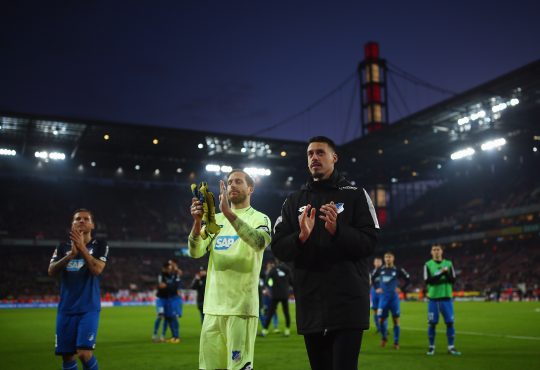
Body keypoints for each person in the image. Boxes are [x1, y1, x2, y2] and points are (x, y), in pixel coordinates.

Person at [271, 136, 379, 370]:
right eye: (310, 154)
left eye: (320, 152)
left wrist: (339, 231)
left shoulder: (356, 195)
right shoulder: (293, 201)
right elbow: (278, 247)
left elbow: (370, 242)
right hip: (310, 304)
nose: (314, 158)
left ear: (334, 158)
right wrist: (300, 237)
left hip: (348, 304)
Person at [188, 169, 272, 370]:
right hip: (212, 309)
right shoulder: (214, 221)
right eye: (230, 182)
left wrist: (228, 213)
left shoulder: (261, 218)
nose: (232, 185)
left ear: (250, 188)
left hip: (241, 309)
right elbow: (195, 251)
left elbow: (259, 242)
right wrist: (197, 221)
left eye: (238, 182)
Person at [48, 209, 109, 370]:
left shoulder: (100, 245)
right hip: (66, 308)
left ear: (92, 224)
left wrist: (82, 249)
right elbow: (51, 271)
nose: (81, 221)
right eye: (78, 219)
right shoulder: (62, 247)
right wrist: (69, 256)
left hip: (88, 307)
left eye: (86, 219)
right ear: (72, 224)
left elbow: (97, 270)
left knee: (84, 353)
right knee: (67, 356)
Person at [424, 244, 461, 356]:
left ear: (441, 251)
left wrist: (446, 272)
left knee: (450, 323)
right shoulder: (428, 265)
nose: (436, 251)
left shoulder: (449, 264)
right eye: (434, 249)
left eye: (438, 249)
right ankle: (431, 347)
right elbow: (428, 281)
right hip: (433, 299)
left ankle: (451, 347)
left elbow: (453, 280)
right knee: (432, 324)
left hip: (446, 298)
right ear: (431, 252)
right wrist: (442, 273)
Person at [372, 251, 410, 349]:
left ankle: (396, 342)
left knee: (396, 320)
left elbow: (408, 279)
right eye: (386, 257)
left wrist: (401, 288)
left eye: (389, 257)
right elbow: (373, 278)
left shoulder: (398, 269)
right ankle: (384, 338)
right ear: (384, 259)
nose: (388, 259)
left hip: (394, 299)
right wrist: (377, 288)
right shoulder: (380, 269)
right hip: (383, 298)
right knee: (381, 320)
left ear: (393, 258)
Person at [261, 260, 292, 337]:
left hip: (275, 294)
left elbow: (266, 281)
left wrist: (268, 288)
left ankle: (265, 331)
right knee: (286, 312)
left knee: (270, 313)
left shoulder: (273, 269)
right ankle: (287, 330)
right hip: (285, 294)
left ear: (276, 261)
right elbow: (292, 281)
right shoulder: (287, 269)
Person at [153, 261, 172, 342]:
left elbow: (165, 285)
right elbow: (161, 285)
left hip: (168, 299)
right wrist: (170, 286)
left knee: (167, 318)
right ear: (165, 268)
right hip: (161, 299)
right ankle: (154, 335)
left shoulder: (170, 276)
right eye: (168, 268)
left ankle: (162, 336)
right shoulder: (161, 275)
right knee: (160, 316)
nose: (169, 269)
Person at [370, 257, 383, 333]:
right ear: (374, 263)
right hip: (374, 291)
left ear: (381, 263)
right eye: (376, 262)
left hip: (382, 291)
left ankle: (383, 328)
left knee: (382, 310)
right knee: (375, 310)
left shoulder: (384, 271)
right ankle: (378, 328)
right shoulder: (372, 272)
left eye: (379, 262)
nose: (377, 263)